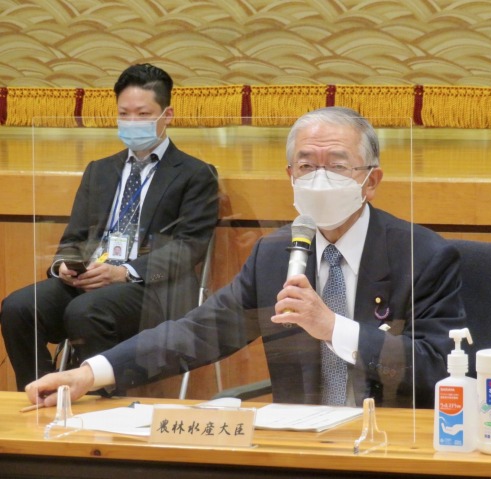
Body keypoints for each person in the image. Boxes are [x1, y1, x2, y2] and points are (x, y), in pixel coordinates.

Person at [25, 106, 465, 409]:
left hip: (392, 440)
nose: (319, 178)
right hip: (300, 445)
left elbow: (439, 367)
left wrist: (333, 327)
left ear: (371, 181)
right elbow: (196, 333)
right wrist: (90, 373)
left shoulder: (422, 256)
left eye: (337, 165)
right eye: (306, 166)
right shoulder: (276, 254)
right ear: (290, 176)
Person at [1, 63, 219, 391]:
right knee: (18, 307)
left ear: (167, 115)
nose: (132, 122)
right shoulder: (99, 170)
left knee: (85, 311)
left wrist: (124, 272)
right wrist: (63, 266)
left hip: (153, 288)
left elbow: (188, 247)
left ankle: (102, 400)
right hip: (90, 279)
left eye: (143, 114)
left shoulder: (195, 174)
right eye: (124, 114)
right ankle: (42, 395)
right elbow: (74, 237)